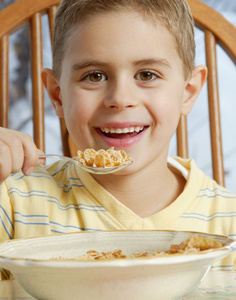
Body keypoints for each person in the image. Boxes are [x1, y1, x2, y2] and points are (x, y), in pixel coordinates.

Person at [0, 0, 235, 279]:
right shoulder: (15, 203)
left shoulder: (227, 222)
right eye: (95, 76)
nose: (120, 99)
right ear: (57, 95)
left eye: (147, 75)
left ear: (188, 92)